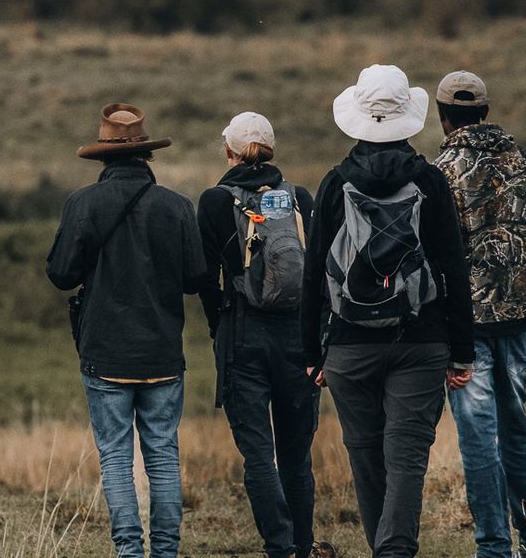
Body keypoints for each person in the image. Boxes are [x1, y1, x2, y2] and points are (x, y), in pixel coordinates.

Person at [300, 65, 475, 558]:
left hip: (348, 344)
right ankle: (393, 551)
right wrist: (462, 351)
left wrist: (311, 353)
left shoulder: (334, 184)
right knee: (407, 456)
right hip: (422, 339)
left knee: (364, 454)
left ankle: (387, 549)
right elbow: (453, 269)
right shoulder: (431, 182)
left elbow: (314, 274)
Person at [47, 104, 207, 558]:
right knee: (162, 456)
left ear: (103, 158)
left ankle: (129, 552)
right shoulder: (176, 206)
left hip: (104, 352)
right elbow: (196, 279)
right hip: (162, 352)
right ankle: (165, 552)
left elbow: (60, 274)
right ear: (146, 155)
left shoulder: (82, 203)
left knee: (116, 458)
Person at [434, 71, 526, 558]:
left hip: (465, 324)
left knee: (478, 439)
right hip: (516, 316)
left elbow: (432, 248)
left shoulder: (442, 168)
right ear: (486, 112)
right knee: (515, 429)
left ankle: (492, 547)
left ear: (443, 117)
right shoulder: (520, 158)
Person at [198, 112, 322, 558]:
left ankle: (281, 546)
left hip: (241, 333)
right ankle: (303, 546)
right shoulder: (300, 198)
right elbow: (319, 276)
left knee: (258, 454)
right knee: (296, 454)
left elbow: (204, 278)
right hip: (297, 336)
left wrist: (220, 330)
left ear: (229, 151)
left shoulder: (214, 201)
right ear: (272, 150)